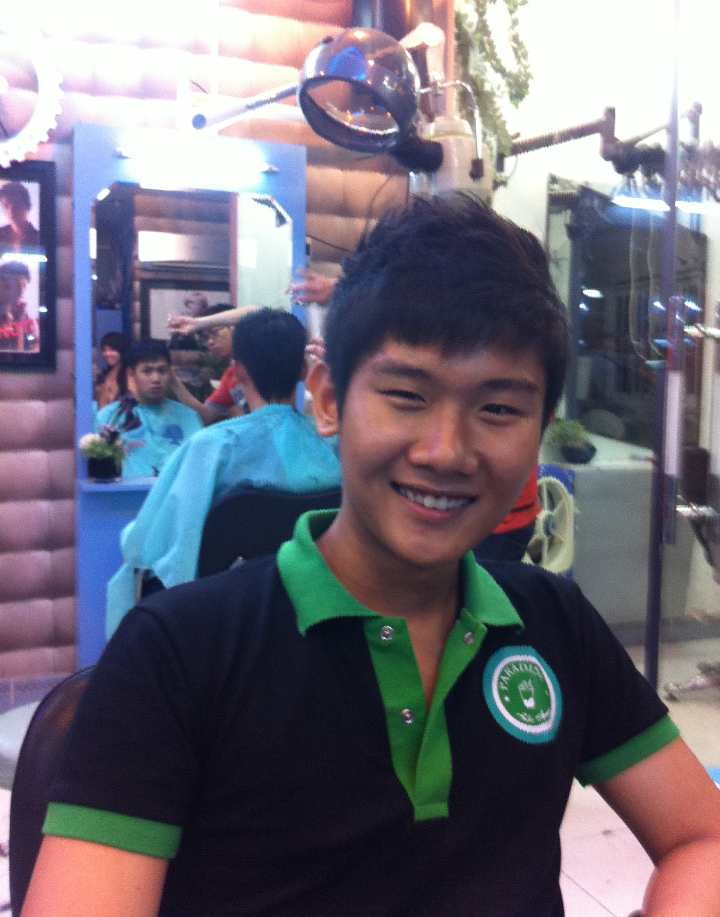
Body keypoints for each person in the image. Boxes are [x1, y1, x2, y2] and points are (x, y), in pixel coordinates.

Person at [24, 196, 720, 917]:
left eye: (499, 409)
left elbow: (704, 837)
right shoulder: (177, 652)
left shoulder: (554, 622)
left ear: (541, 427)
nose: (446, 451)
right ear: (328, 401)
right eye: (406, 395)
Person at [104, 308, 341, 637]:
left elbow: (150, 546)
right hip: (319, 613)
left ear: (238, 372)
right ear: (303, 370)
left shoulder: (211, 448)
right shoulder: (335, 445)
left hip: (230, 621)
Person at [94, 339, 202, 479]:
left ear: (170, 373)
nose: (156, 378)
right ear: (131, 374)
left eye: (162, 371)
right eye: (147, 371)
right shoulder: (109, 418)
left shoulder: (189, 417)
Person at [169, 303, 251, 425]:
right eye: (206, 337)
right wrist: (173, 379)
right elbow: (205, 415)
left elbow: (254, 313)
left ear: (235, 328)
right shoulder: (230, 377)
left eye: (214, 333)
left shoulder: (260, 357)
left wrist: (198, 323)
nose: (210, 342)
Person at [0, 259, 38, 352]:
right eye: (17, 286)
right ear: (3, 286)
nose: (21, 292)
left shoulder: (22, 312)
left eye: (24, 286)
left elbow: (33, 340)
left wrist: (33, 346)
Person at [93, 332, 128, 410]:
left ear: (121, 351)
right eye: (104, 350)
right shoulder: (103, 375)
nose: (107, 354)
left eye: (112, 350)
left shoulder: (129, 375)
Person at [0, 181, 39, 248]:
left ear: (27, 206)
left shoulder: (38, 237)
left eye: (15, 205)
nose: (11, 211)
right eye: (6, 206)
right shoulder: (1, 233)